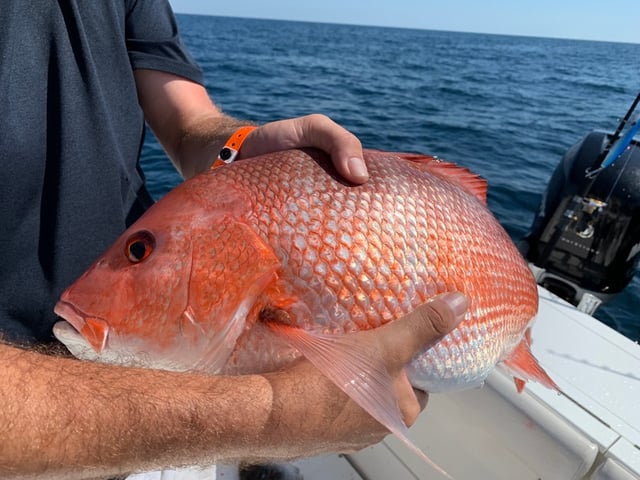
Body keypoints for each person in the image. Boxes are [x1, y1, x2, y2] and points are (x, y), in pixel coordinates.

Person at [0, 1, 468, 478]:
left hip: (155, 374)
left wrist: (239, 145)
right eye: (139, 253)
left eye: (140, 253)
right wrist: (266, 415)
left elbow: (188, 125)